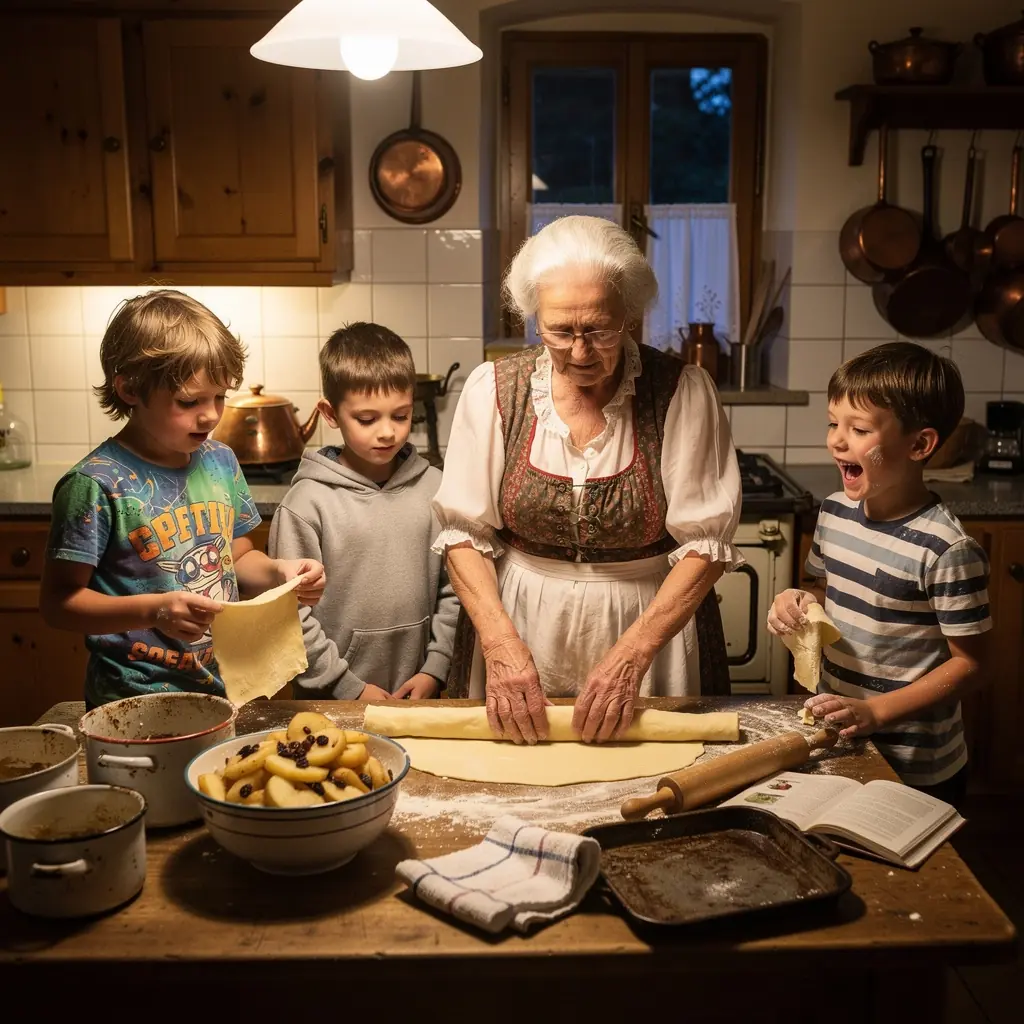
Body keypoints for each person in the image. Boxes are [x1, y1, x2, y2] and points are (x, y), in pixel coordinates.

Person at [432, 215, 743, 745]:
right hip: (521, 622)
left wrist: (633, 654)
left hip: (650, 632)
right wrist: (501, 645)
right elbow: (463, 536)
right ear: (534, 318)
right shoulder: (493, 390)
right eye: (559, 331)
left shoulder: (682, 391)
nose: (579, 352)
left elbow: (705, 547)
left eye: (599, 330)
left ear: (631, 316)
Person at [40, 289, 326, 708]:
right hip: (133, 699)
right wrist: (154, 610)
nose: (210, 415)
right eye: (190, 401)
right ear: (130, 389)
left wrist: (280, 572)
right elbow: (59, 604)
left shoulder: (220, 461)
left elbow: (236, 554)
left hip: (223, 688)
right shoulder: (95, 485)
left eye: (220, 397)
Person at [767, 342, 991, 807]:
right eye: (834, 423)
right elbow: (820, 588)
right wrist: (798, 600)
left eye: (859, 428)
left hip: (917, 765)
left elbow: (971, 664)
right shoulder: (834, 513)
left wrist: (876, 711)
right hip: (843, 739)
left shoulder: (947, 549)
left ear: (919, 444)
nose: (836, 440)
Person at [269, 322, 459, 701]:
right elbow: (289, 616)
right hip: (334, 701)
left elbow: (455, 590)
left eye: (401, 416)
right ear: (330, 413)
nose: (387, 432)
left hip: (421, 692)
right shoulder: (306, 504)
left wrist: (435, 667)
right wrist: (348, 687)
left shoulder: (437, 488)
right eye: (367, 419)